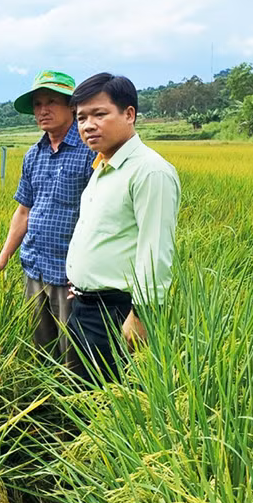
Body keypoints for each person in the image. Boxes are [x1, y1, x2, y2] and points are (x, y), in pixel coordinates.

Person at [65, 73, 181, 383]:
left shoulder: (150, 171)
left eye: (100, 114)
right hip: (85, 307)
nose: (88, 125)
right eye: (81, 117)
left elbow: (155, 252)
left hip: (119, 314)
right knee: (84, 396)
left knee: (109, 403)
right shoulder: (104, 165)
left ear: (129, 114)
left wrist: (141, 317)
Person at [0, 70, 95, 360]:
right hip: (35, 268)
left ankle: (76, 404)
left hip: (73, 276)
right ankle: (43, 404)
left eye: (51, 102)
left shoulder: (91, 151)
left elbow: (105, 216)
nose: (43, 110)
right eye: (37, 104)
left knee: (75, 355)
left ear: (72, 106)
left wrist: (90, 273)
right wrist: (2, 257)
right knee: (41, 352)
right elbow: (24, 210)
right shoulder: (34, 154)